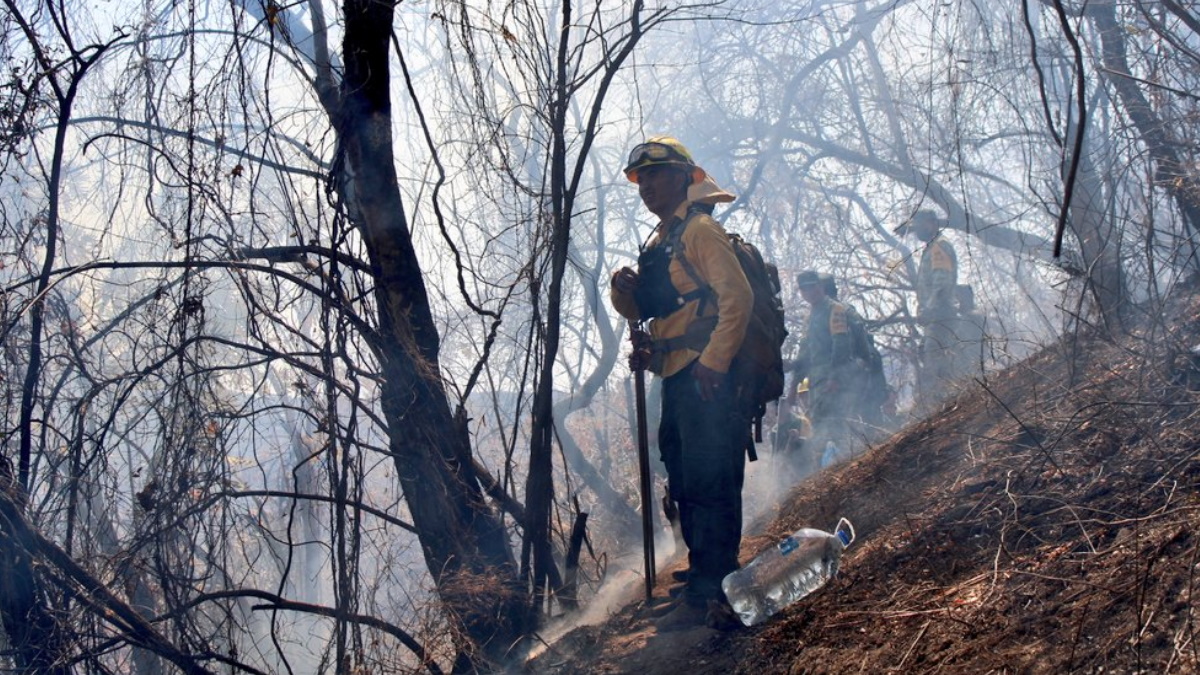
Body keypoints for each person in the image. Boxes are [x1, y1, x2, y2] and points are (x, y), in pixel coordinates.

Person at [610, 136, 751, 631]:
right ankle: (702, 572)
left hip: (705, 374)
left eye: (655, 175)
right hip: (674, 374)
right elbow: (645, 309)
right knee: (685, 478)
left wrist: (715, 361)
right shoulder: (661, 240)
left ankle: (716, 584)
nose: (645, 186)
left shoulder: (700, 231)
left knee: (710, 477)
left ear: (683, 177)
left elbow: (738, 299)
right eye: (640, 179)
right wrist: (621, 289)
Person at [790, 270, 862, 472]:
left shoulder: (835, 309)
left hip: (832, 379)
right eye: (804, 289)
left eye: (812, 287)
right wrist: (794, 386)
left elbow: (841, 345)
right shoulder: (810, 317)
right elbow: (805, 354)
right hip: (816, 381)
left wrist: (835, 377)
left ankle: (844, 468)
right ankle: (827, 472)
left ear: (820, 287)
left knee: (835, 424)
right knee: (819, 426)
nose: (808, 292)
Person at [897, 209, 958, 409]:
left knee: (935, 362)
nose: (917, 231)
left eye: (920, 226)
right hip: (935, 317)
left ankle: (941, 405)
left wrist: (929, 310)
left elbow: (942, 283)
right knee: (933, 359)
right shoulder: (932, 248)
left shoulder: (939, 247)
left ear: (931, 223)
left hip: (940, 316)